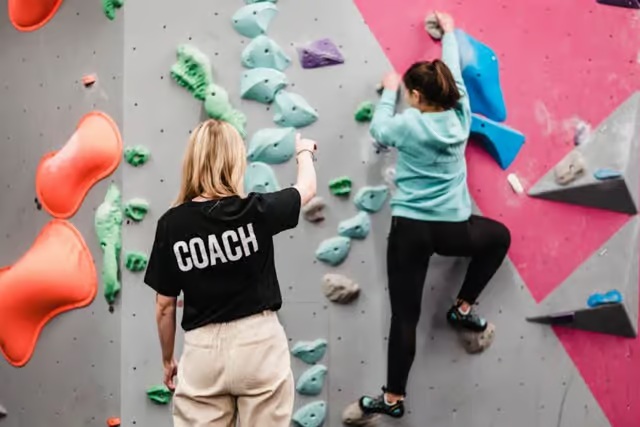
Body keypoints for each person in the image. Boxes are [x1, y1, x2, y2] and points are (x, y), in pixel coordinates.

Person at [357, 11, 511, 419]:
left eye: (409, 94)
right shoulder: (460, 117)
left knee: (405, 317)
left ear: (417, 98)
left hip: (410, 231)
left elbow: (379, 129)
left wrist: (389, 92)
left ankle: (393, 398)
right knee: (499, 237)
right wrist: (450, 35)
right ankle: (463, 307)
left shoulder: (408, 125)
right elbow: (454, 71)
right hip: (452, 230)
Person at [143, 119, 318, 427]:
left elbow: (164, 306)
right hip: (260, 345)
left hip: (202, 351)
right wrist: (303, 152)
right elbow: (306, 189)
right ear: (235, 161)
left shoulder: (171, 224)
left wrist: (168, 359)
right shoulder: (255, 210)